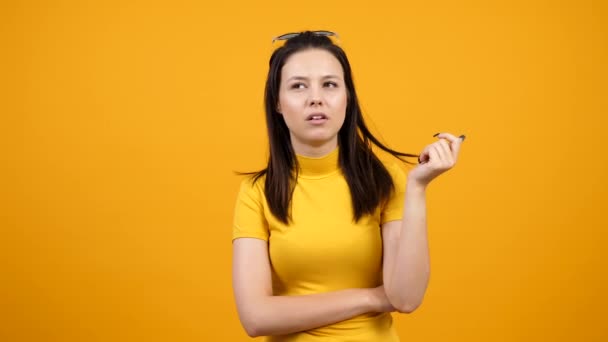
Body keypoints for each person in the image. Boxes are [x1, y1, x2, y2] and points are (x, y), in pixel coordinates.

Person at [231, 30, 465, 341]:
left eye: (329, 84)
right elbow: (256, 318)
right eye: (298, 86)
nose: (316, 97)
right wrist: (370, 298)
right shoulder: (256, 193)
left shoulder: (385, 180)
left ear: (347, 96)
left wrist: (418, 189)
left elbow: (406, 298)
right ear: (277, 102)